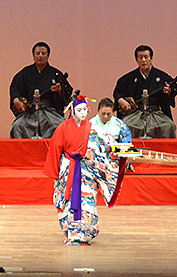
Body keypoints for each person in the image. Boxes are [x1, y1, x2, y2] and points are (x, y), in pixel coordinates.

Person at [43, 93, 127, 245]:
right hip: (68, 169)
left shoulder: (92, 128)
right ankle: (71, 233)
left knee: (87, 202)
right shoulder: (62, 128)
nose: (82, 113)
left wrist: (122, 151)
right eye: (79, 110)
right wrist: (55, 173)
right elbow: (55, 150)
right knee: (67, 202)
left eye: (84, 110)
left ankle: (85, 234)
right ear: (72, 111)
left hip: (87, 171)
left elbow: (106, 144)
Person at [113, 45, 177, 138]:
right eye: (140, 57)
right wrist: (120, 100)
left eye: (146, 57)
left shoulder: (161, 76)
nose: (144, 60)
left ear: (151, 58)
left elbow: (174, 87)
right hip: (136, 113)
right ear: (136, 60)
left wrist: (169, 91)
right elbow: (118, 92)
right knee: (125, 125)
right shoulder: (128, 78)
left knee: (168, 126)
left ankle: (164, 151)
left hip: (155, 113)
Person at [9, 42, 73, 138]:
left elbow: (67, 91)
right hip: (30, 112)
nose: (40, 56)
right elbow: (14, 87)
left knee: (62, 127)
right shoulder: (25, 73)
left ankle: (55, 153)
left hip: (49, 112)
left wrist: (60, 91)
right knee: (17, 126)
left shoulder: (55, 74)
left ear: (48, 56)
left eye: (43, 53)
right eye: (37, 53)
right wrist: (16, 100)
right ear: (33, 56)